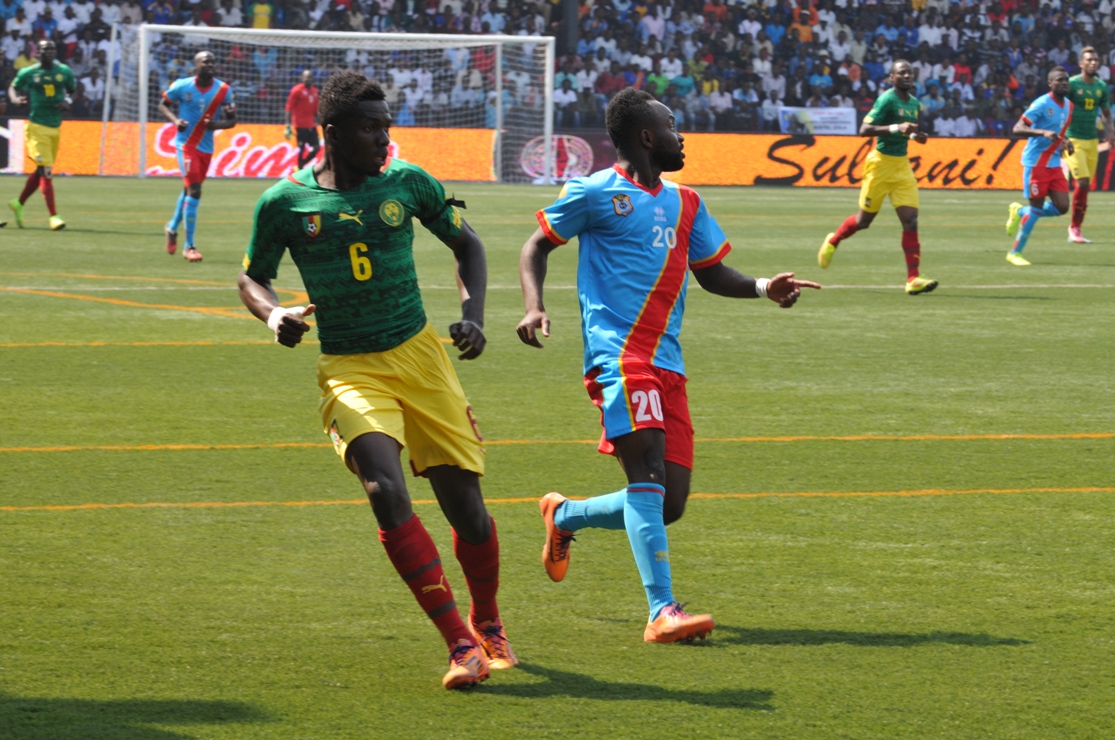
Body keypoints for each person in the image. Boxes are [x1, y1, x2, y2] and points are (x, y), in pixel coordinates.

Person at [237, 71, 513, 690]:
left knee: (468, 513)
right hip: (349, 367)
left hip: (421, 359)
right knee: (384, 490)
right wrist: (273, 313)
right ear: (331, 132)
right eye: (370, 128)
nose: (384, 139)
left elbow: (468, 246)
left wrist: (472, 316)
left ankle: (489, 620)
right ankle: (461, 645)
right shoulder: (284, 203)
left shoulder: (408, 183)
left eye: (386, 127)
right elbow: (252, 276)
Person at [516, 88, 819, 645]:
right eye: (673, 126)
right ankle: (662, 611)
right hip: (617, 355)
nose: (682, 137)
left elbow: (711, 274)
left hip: (669, 363)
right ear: (647, 136)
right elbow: (536, 246)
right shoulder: (593, 192)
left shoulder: (688, 202)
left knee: (668, 502)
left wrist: (762, 287)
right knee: (648, 475)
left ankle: (565, 516)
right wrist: (534, 306)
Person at [818, 59, 938, 295]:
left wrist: (916, 137)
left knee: (911, 221)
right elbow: (864, 130)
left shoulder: (914, 103)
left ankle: (913, 278)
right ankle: (834, 240)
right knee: (864, 222)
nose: (907, 76)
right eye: (901, 73)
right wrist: (896, 128)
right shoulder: (886, 100)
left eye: (910, 73)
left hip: (901, 166)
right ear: (892, 78)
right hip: (880, 165)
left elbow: (906, 132)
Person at [158, 50, 237, 262]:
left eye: (213, 62)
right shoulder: (182, 86)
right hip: (186, 146)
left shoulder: (223, 90)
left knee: (189, 190)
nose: (210, 65)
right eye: (205, 62)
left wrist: (216, 125)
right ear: (196, 66)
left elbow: (232, 120)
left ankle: (172, 228)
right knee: (195, 190)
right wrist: (175, 121)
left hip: (206, 149)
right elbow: (163, 104)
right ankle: (189, 246)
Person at [1005, 67, 1074, 266]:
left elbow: (1058, 132)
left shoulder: (1069, 106)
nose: (1064, 83)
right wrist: (1041, 132)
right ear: (1050, 83)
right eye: (1059, 80)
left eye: (1066, 80)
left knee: (1062, 207)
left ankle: (1019, 212)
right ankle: (1015, 253)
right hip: (1036, 163)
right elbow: (1018, 128)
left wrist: (1065, 141)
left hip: (1054, 162)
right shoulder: (1042, 103)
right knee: (1036, 208)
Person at [7, 40, 75, 231]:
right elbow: (13, 87)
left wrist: (67, 101)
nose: (50, 51)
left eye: (52, 48)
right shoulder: (29, 72)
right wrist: (15, 99)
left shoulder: (64, 71)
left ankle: (18, 203)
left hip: (55, 126)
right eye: (45, 49)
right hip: (37, 127)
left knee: (41, 171)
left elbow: (72, 91)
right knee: (46, 171)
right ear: (38, 52)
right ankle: (54, 216)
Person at [1064, 47, 1111, 244]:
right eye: (1089, 60)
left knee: (1085, 187)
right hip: (1073, 140)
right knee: (1082, 182)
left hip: (1092, 141)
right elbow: (1060, 108)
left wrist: (1111, 132)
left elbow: (1106, 114)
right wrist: (1061, 136)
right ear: (1081, 64)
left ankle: (1077, 228)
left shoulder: (1101, 87)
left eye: (1095, 60)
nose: (1093, 63)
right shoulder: (1072, 84)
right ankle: (1074, 228)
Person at [285, 69, 320, 169]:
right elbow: (289, 108)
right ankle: (299, 168)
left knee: (316, 147)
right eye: (307, 77)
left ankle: (302, 164)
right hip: (300, 125)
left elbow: (316, 111)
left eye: (310, 77)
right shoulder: (296, 90)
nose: (309, 79)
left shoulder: (315, 91)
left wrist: (322, 122)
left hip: (311, 124)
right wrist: (288, 126)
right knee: (301, 148)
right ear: (302, 78)